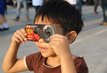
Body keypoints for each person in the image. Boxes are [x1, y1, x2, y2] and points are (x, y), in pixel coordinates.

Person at [2, 0, 88, 73]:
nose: (41, 40)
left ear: (69, 37)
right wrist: (15, 44)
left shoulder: (77, 64)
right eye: (37, 31)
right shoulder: (37, 59)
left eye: (47, 32)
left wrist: (65, 56)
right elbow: (9, 68)